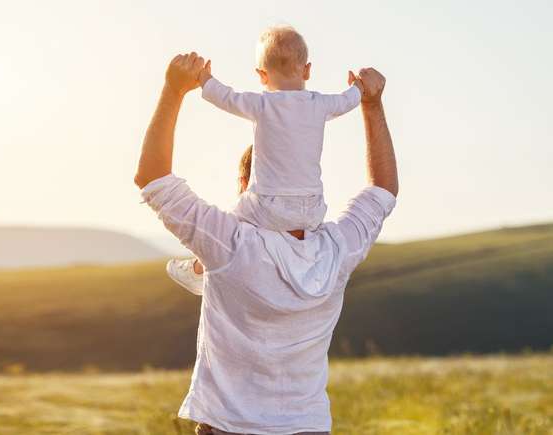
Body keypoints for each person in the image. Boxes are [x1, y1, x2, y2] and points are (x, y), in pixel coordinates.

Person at [135, 52, 398, 434]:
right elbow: (383, 190)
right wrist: (372, 105)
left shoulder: (227, 244)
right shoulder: (336, 249)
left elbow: (152, 177)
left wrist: (174, 90)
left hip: (229, 427)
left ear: (247, 186)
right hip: (307, 426)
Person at [167, 26, 362, 289]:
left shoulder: (261, 105)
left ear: (261, 75)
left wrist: (204, 79)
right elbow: (347, 101)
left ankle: (198, 270)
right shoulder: (321, 104)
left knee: (226, 228)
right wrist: (358, 87)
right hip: (312, 209)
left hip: (268, 206)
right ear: (307, 70)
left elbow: (226, 97)